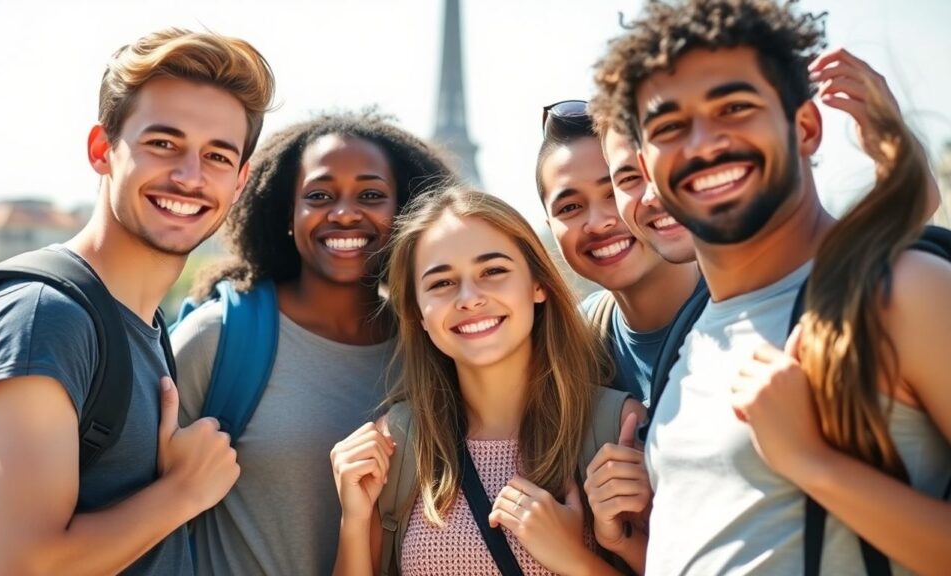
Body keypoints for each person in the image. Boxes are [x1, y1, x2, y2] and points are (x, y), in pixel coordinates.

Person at [591, 0, 951, 574]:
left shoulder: (900, 292)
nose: (704, 141)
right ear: (646, 166)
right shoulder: (693, 335)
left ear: (805, 126)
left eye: (735, 106)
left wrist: (814, 464)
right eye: (670, 126)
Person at [0, 28, 274, 575]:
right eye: (163, 144)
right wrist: (184, 491)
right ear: (103, 150)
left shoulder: (141, 323)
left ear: (240, 181)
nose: (190, 176)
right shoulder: (44, 319)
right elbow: (27, 566)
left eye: (217, 156)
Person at [170, 111, 454, 576]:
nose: (343, 212)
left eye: (371, 195)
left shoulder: (435, 347)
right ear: (287, 214)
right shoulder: (216, 339)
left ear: (405, 212)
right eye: (319, 195)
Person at [331, 187, 647, 575]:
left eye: (493, 271)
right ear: (417, 312)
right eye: (442, 283)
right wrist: (355, 520)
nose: (469, 298)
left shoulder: (617, 428)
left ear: (538, 284)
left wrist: (573, 560)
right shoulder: (398, 441)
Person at [536, 100, 700, 404]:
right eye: (570, 207)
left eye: (615, 191)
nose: (598, 224)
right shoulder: (573, 347)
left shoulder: (750, 311)